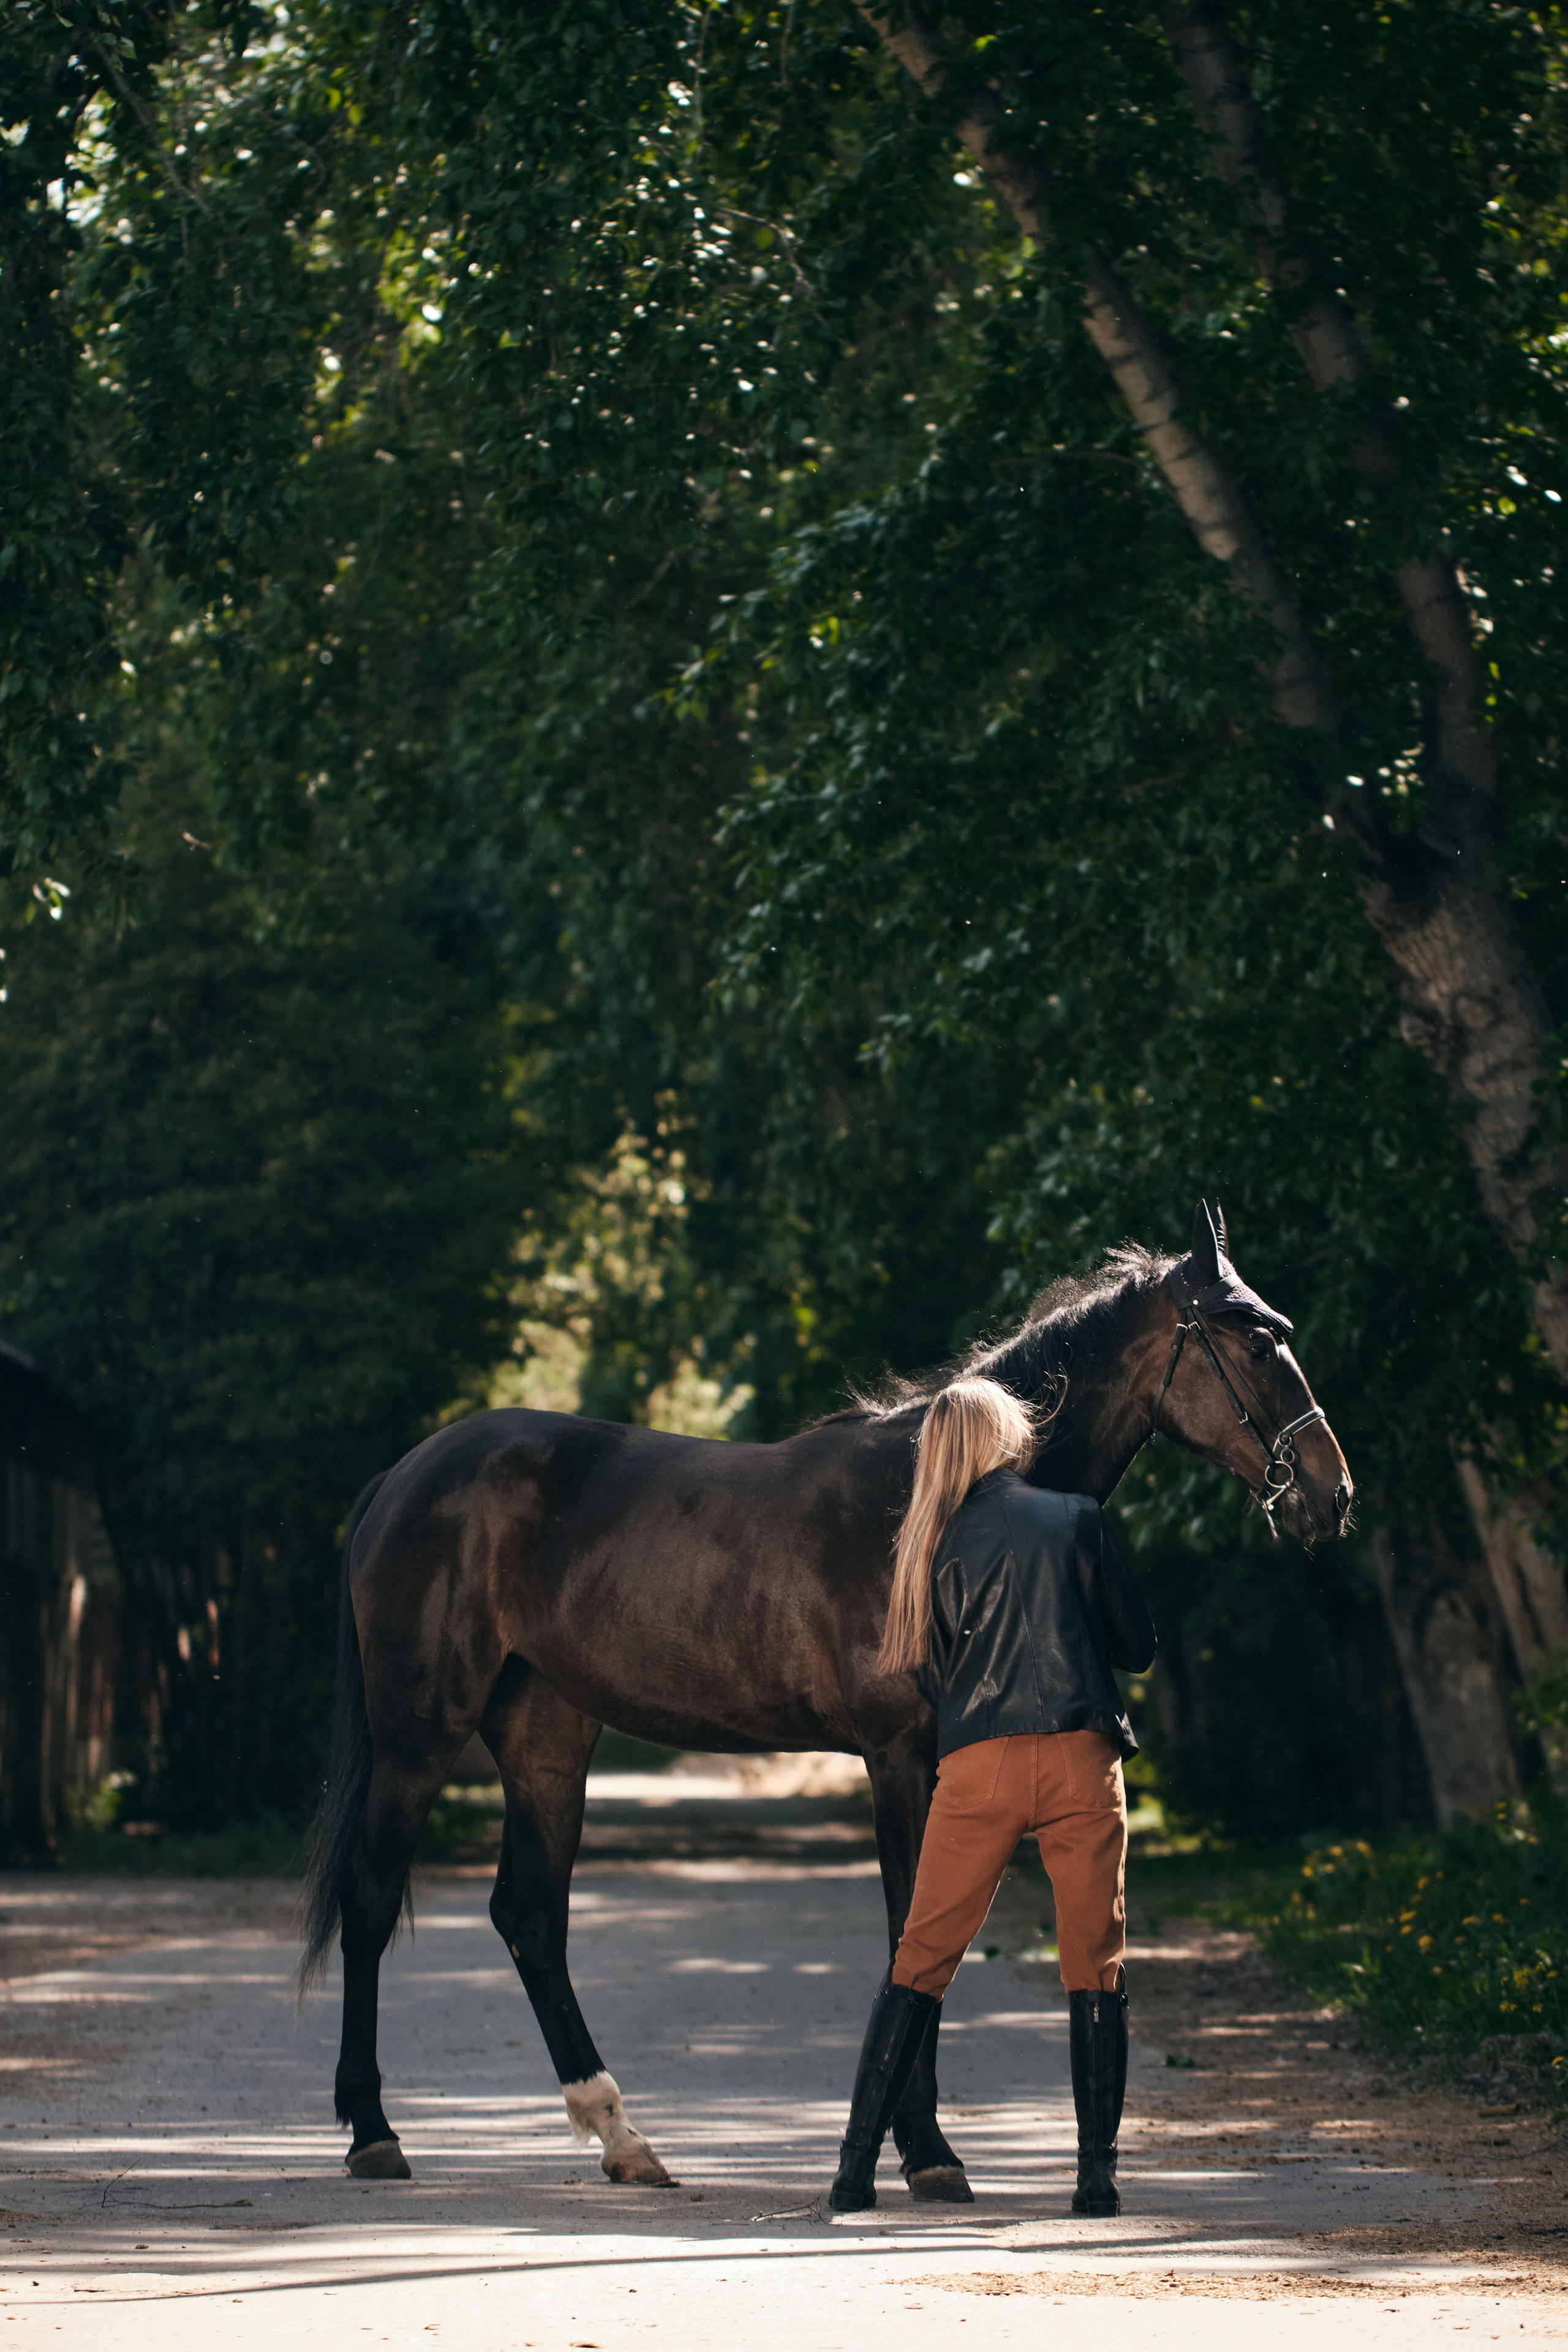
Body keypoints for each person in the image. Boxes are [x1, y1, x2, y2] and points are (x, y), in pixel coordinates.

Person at [829, 1374, 1156, 2217]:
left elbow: (938, 1678)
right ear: (1010, 1435)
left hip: (977, 1768)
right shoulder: (1077, 1517)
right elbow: (1138, 1644)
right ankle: (1095, 2179)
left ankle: (855, 2173)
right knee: (1094, 1964)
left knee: (919, 1963)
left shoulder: (926, 1550)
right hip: (1081, 1755)